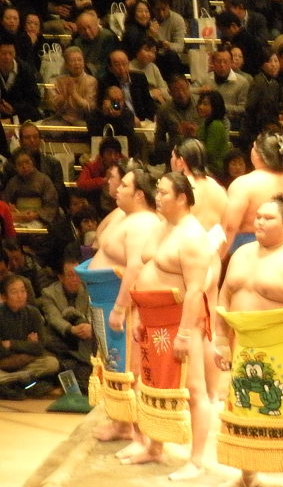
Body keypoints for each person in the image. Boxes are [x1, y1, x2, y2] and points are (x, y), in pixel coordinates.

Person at [215, 195, 283, 487]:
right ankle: (247, 474)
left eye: (268, 218)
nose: (259, 222)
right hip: (244, 342)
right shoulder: (241, 254)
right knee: (242, 406)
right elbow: (224, 295)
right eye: (258, 217)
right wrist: (220, 339)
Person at [127, 172, 213, 478]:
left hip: (181, 321)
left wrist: (186, 334)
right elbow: (144, 269)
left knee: (194, 388)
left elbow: (195, 289)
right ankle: (155, 447)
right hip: (153, 319)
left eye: (164, 193)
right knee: (153, 383)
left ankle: (197, 460)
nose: (158, 197)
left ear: (181, 198)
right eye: (158, 192)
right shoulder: (162, 226)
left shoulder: (192, 237)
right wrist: (139, 315)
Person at [78, 168, 164, 445]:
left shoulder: (143, 223)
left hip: (121, 301)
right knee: (114, 363)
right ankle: (122, 423)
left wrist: (119, 307)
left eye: (125, 185)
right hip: (105, 297)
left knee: (129, 365)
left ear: (139, 194)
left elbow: (136, 266)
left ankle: (138, 434)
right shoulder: (127, 218)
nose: (118, 189)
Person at [223, 131, 283, 255]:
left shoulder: (243, 184)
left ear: (257, 155)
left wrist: (220, 257)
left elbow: (229, 227)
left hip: (249, 256)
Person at [0, 273, 59, 399]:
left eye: (22, 291)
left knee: (52, 363)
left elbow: (39, 347)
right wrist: (27, 345)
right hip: (4, 366)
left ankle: (14, 383)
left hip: (26, 364)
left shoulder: (33, 313)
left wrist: (12, 344)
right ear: (4, 297)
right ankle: (22, 382)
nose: (20, 296)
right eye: (14, 292)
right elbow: (1, 351)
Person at [38, 257, 94, 390]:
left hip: (85, 338)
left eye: (78, 275)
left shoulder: (89, 289)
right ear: (60, 277)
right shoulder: (49, 293)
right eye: (70, 275)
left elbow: (94, 313)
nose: (75, 279)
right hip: (60, 339)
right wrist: (71, 329)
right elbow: (54, 318)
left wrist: (90, 327)